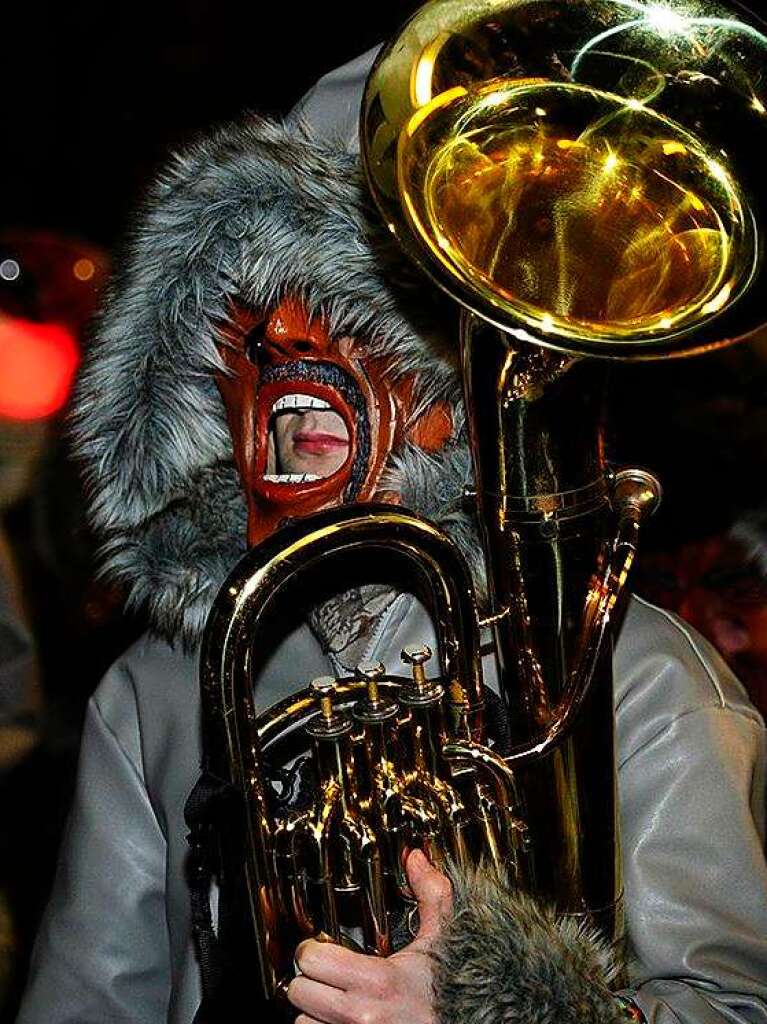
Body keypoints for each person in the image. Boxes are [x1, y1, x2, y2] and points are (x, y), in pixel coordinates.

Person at [16, 53, 767, 1024]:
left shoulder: (635, 674)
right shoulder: (159, 686)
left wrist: (507, 1011)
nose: (289, 346)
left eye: (350, 315)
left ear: (457, 384)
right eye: (248, 334)